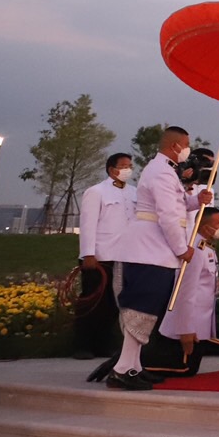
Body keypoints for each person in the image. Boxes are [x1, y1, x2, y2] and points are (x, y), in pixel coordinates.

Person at [107, 126, 208, 391]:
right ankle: (122, 369)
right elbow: (167, 215)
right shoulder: (161, 171)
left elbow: (176, 205)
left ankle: (133, 366)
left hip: (154, 251)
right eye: (186, 144)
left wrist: (197, 200)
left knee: (147, 312)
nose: (188, 148)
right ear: (175, 145)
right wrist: (180, 248)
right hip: (148, 249)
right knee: (140, 311)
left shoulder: (165, 171)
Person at [143, 207, 219, 377]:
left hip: (199, 328)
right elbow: (185, 292)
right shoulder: (195, 250)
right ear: (205, 227)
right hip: (185, 331)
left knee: (190, 370)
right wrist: (185, 330)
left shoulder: (206, 247)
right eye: (218, 223)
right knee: (181, 370)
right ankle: (125, 364)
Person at [75, 152, 135, 359]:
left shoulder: (133, 193)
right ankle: (82, 345)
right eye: (124, 166)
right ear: (112, 169)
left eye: (130, 166)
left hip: (124, 256)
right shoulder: (96, 192)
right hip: (101, 256)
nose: (129, 169)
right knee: (92, 302)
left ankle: (104, 344)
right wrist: (88, 254)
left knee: (113, 304)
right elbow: (88, 224)